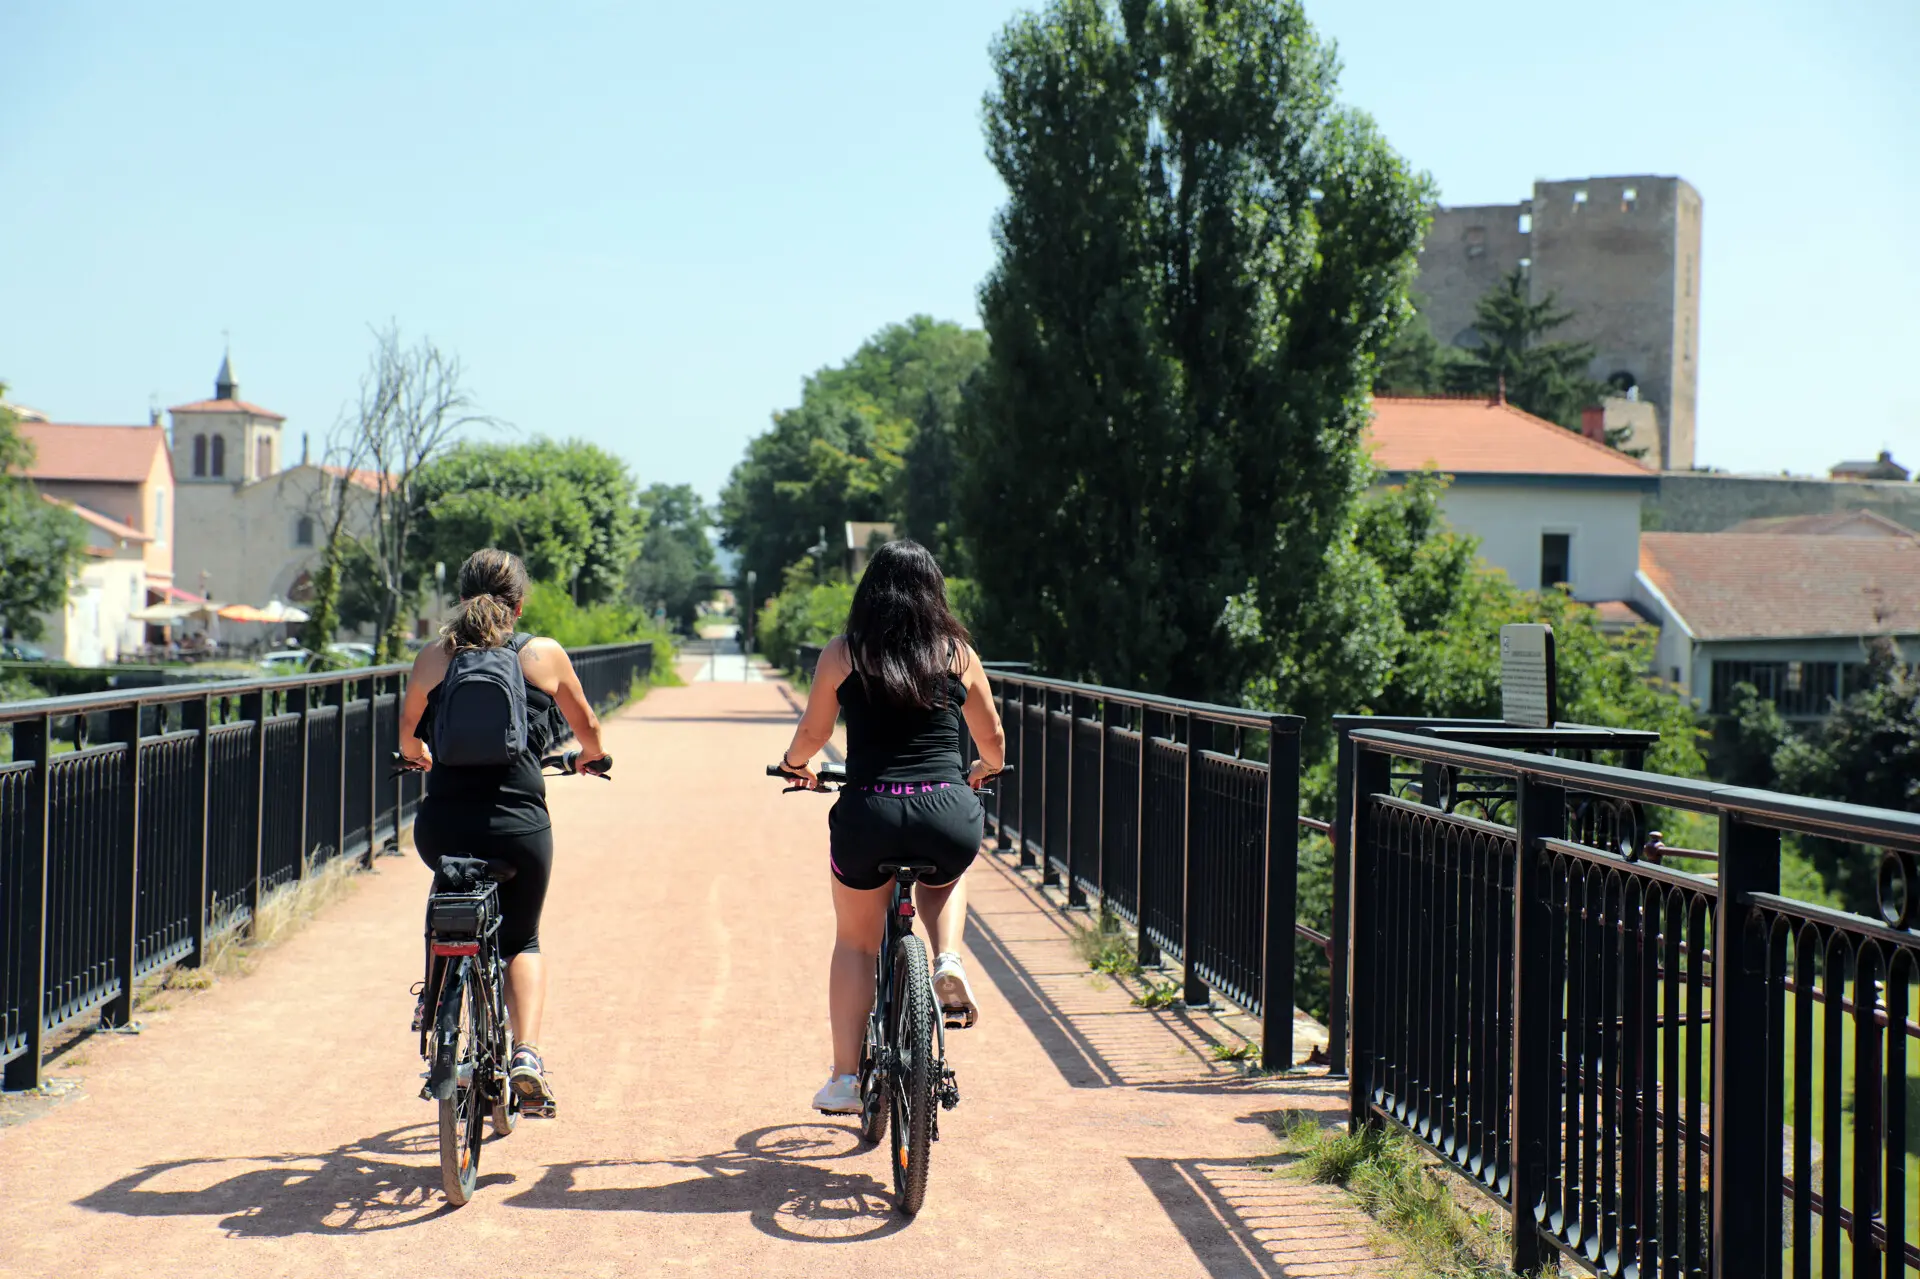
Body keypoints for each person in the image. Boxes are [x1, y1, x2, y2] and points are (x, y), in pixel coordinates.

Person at [776, 540, 1006, 1115]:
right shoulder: (956, 653)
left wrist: (796, 766)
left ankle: (845, 1080)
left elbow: (812, 734)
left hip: (870, 811)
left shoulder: (845, 652)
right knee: (946, 873)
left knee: (855, 943)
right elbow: (993, 740)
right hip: (944, 810)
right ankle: (947, 958)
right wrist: (982, 770)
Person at [396, 547, 608, 1114]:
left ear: (462, 598)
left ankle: (435, 996)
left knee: (447, 893)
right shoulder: (542, 654)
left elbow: (408, 733)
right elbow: (587, 725)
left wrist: (419, 756)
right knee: (521, 939)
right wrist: (591, 756)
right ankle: (526, 1056)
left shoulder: (433, 657)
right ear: (519, 605)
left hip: (445, 822)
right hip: (518, 825)